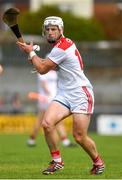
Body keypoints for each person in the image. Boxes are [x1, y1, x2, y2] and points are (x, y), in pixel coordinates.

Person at [17, 16, 105, 175]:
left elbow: (42, 69)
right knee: (47, 123)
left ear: (61, 30)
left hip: (81, 93)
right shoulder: (60, 46)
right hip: (64, 93)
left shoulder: (62, 47)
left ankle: (98, 162)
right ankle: (57, 161)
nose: (50, 32)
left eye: (54, 29)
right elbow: (44, 64)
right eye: (48, 30)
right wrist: (32, 56)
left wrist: (31, 53)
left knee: (79, 137)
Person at [27, 70, 76, 147]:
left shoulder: (55, 72)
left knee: (56, 120)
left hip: (53, 98)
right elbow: (43, 84)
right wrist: (49, 95)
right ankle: (31, 139)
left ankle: (31, 140)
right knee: (43, 119)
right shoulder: (43, 71)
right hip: (46, 99)